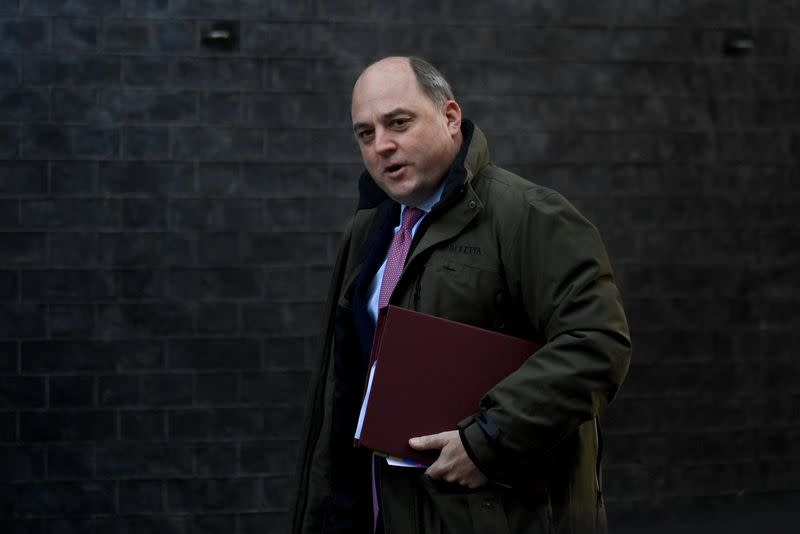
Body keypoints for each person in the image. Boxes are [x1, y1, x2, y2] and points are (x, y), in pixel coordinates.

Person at [289, 56, 631, 534]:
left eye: (399, 123)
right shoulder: (368, 231)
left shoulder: (531, 215)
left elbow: (598, 344)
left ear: (450, 118)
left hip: (495, 515)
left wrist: (487, 441)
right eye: (365, 134)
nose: (382, 145)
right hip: (380, 510)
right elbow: (344, 388)